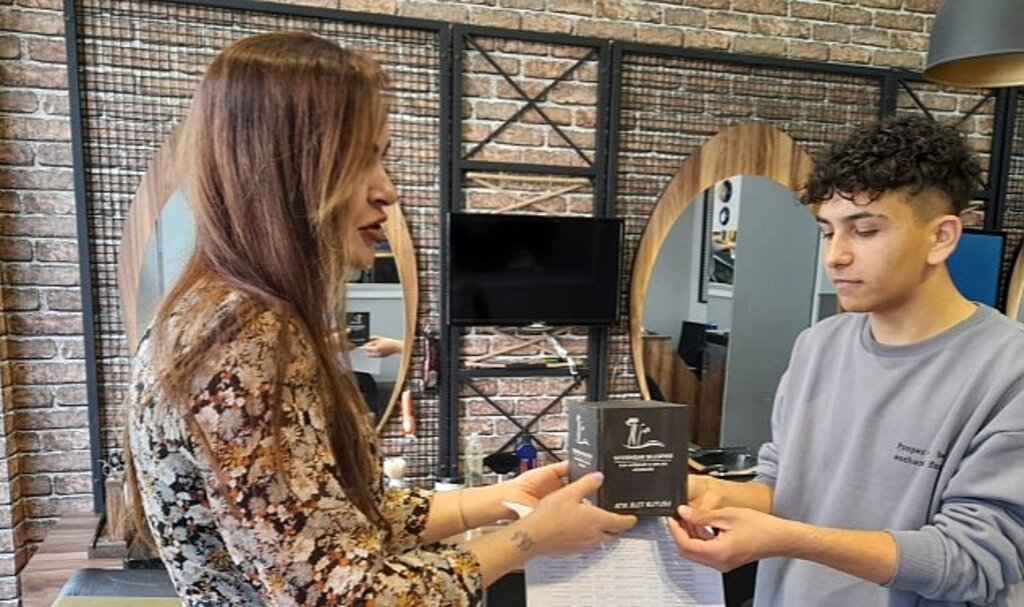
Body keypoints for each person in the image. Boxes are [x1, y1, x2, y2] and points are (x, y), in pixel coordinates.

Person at [124, 32, 635, 606]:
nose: (387, 191)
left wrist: (503, 497)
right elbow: (345, 596)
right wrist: (529, 539)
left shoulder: (211, 312)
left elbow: (341, 524)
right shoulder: (245, 340)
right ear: (286, 169)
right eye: (360, 160)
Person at [669, 115, 1024, 606]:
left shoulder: (1008, 371)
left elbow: (973, 560)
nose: (835, 256)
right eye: (827, 232)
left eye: (865, 231)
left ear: (941, 237)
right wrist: (708, 494)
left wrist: (787, 539)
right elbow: (782, 483)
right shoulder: (818, 345)